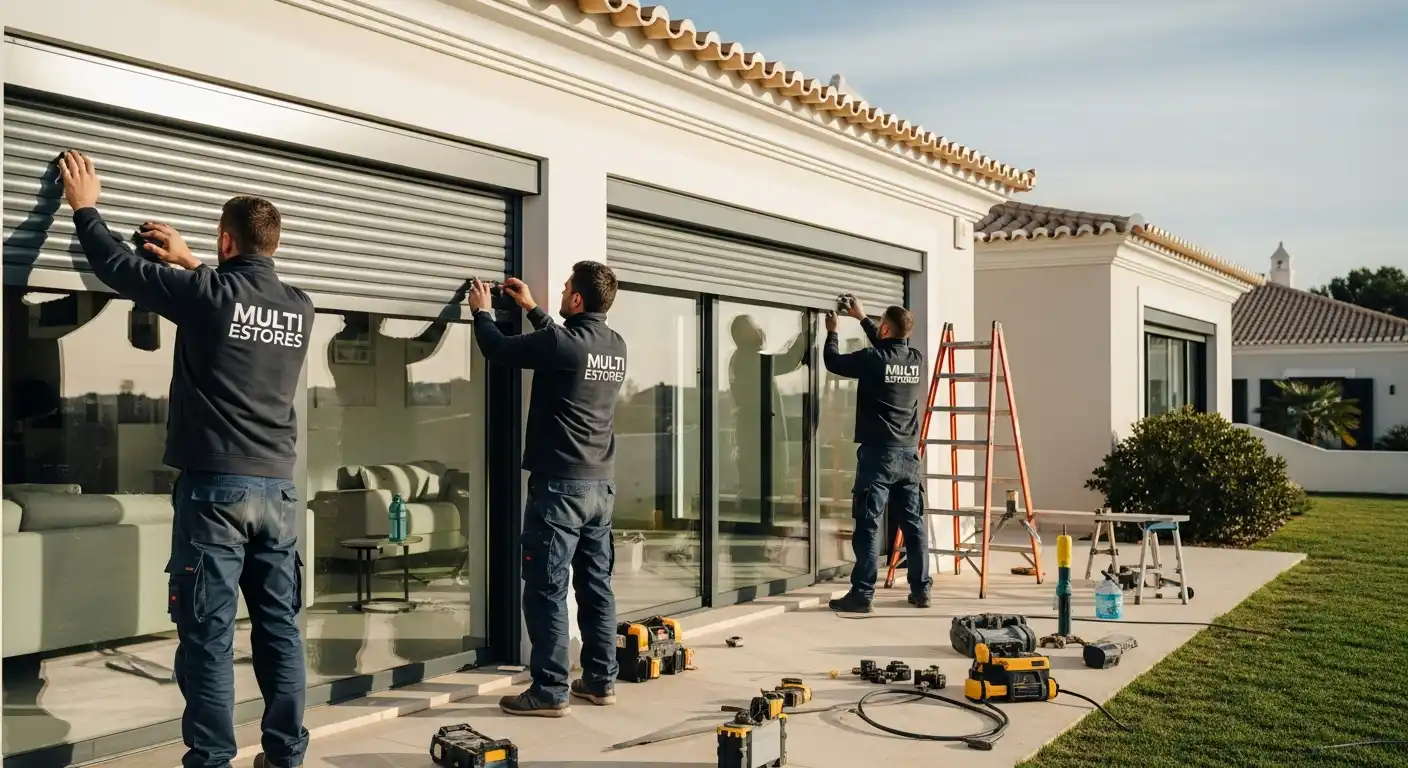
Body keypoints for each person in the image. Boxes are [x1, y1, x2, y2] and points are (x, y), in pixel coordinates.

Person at [58, 151, 313, 768]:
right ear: (271, 245)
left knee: (209, 637)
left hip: (217, 494)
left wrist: (86, 208)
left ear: (225, 239)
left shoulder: (208, 295)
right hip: (279, 492)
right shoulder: (300, 307)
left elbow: (117, 266)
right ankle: (285, 755)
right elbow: (235, 301)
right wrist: (193, 261)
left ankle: (211, 760)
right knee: (279, 630)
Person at [467, 263, 628, 717]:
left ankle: (550, 690)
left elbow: (498, 349)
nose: (560, 291)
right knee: (596, 587)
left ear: (576, 300)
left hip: (560, 489)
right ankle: (599, 681)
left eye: (565, 289)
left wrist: (482, 312)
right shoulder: (615, 346)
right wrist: (533, 307)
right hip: (600, 487)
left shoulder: (562, 343)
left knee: (546, 589)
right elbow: (563, 346)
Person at [820, 294, 931, 613]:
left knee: (868, 525)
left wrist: (832, 331)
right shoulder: (916, 359)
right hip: (909, 456)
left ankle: (862, 594)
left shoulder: (871, 359)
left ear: (885, 328)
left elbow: (833, 362)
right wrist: (863, 318)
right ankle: (921, 590)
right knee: (913, 524)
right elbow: (888, 348)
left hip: (878, 458)